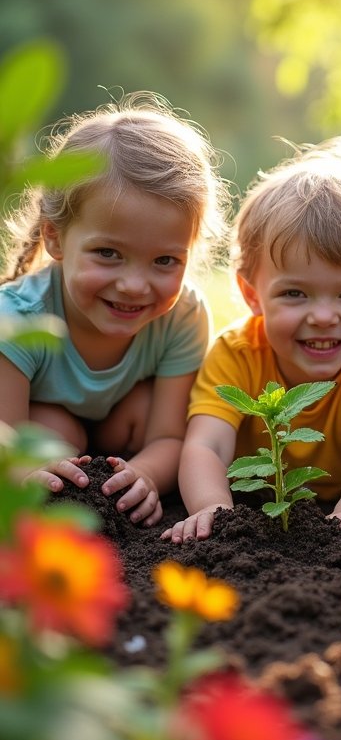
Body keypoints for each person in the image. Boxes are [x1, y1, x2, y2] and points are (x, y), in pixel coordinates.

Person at [163, 136, 341, 552]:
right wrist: (211, 509)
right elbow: (208, 443)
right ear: (251, 293)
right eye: (295, 294)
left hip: (337, 503)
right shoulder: (238, 353)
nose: (323, 316)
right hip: (249, 504)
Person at [0, 93, 228, 527]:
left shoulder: (182, 314)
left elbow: (169, 434)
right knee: (51, 434)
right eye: (108, 253)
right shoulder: (17, 318)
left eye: (165, 261)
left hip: (125, 430)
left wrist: (145, 474)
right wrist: (25, 473)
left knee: (144, 410)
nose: (135, 285)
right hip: (45, 428)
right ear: (55, 238)